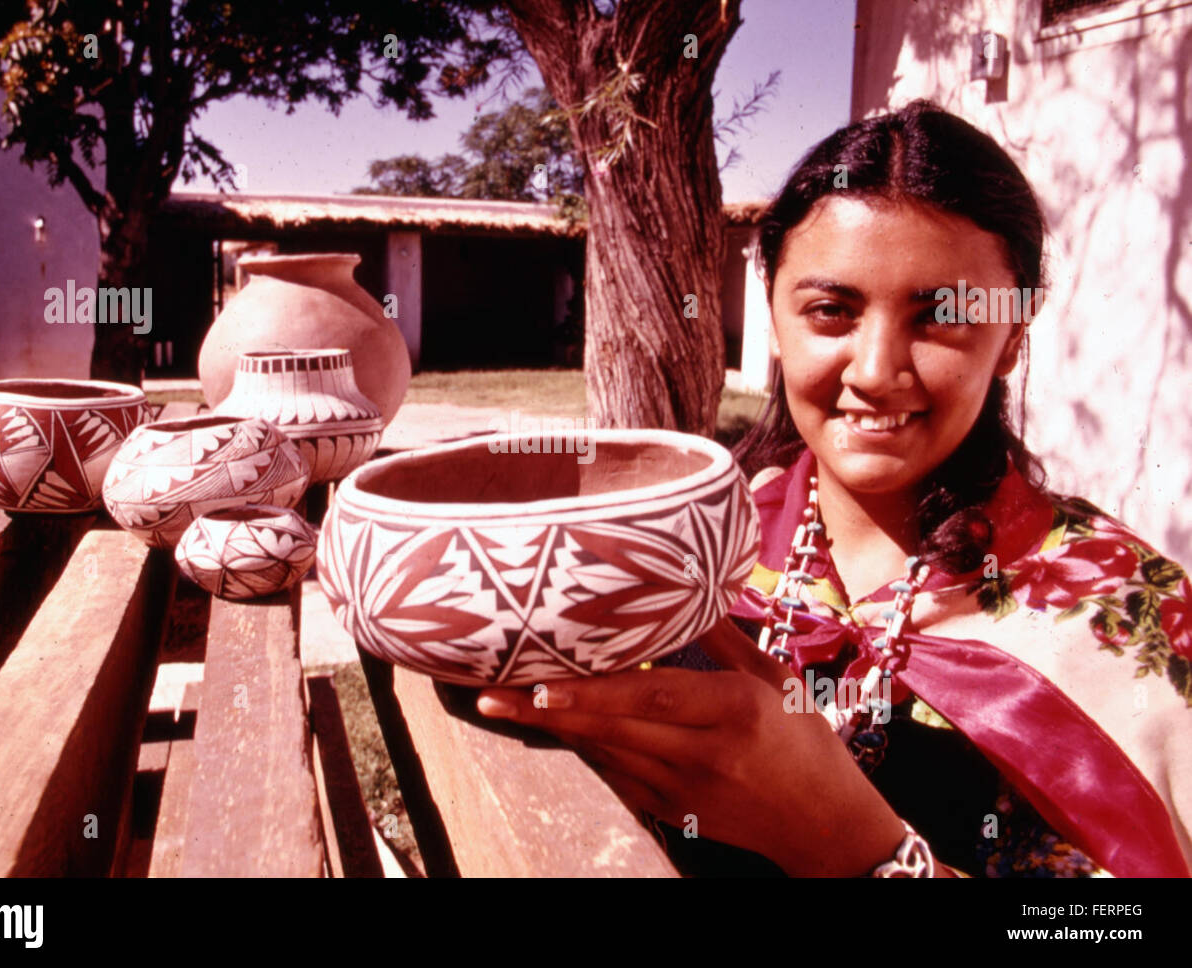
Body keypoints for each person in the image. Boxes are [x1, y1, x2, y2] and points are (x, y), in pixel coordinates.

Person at [475, 100, 1192, 877]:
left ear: (1013, 335)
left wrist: (859, 850)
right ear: (777, 320)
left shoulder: (1126, 613)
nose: (877, 372)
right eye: (830, 311)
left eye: (942, 316)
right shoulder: (695, 548)